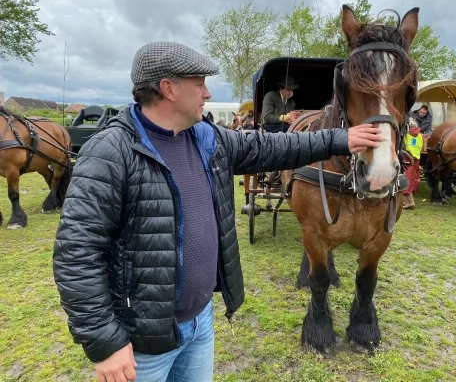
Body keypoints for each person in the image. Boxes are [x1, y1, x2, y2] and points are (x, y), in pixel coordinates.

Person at [51, 41, 385, 382]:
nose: (207, 94)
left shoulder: (207, 138)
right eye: (199, 84)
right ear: (168, 88)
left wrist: (343, 139)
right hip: (141, 343)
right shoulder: (109, 153)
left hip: (201, 323)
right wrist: (104, 342)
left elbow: (276, 145)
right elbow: (77, 255)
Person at [402, 118, 424, 209]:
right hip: (416, 159)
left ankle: (410, 201)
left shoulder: (406, 135)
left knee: (406, 178)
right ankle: (407, 200)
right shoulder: (420, 135)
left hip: (407, 157)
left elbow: (402, 146)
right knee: (413, 177)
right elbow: (422, 147)